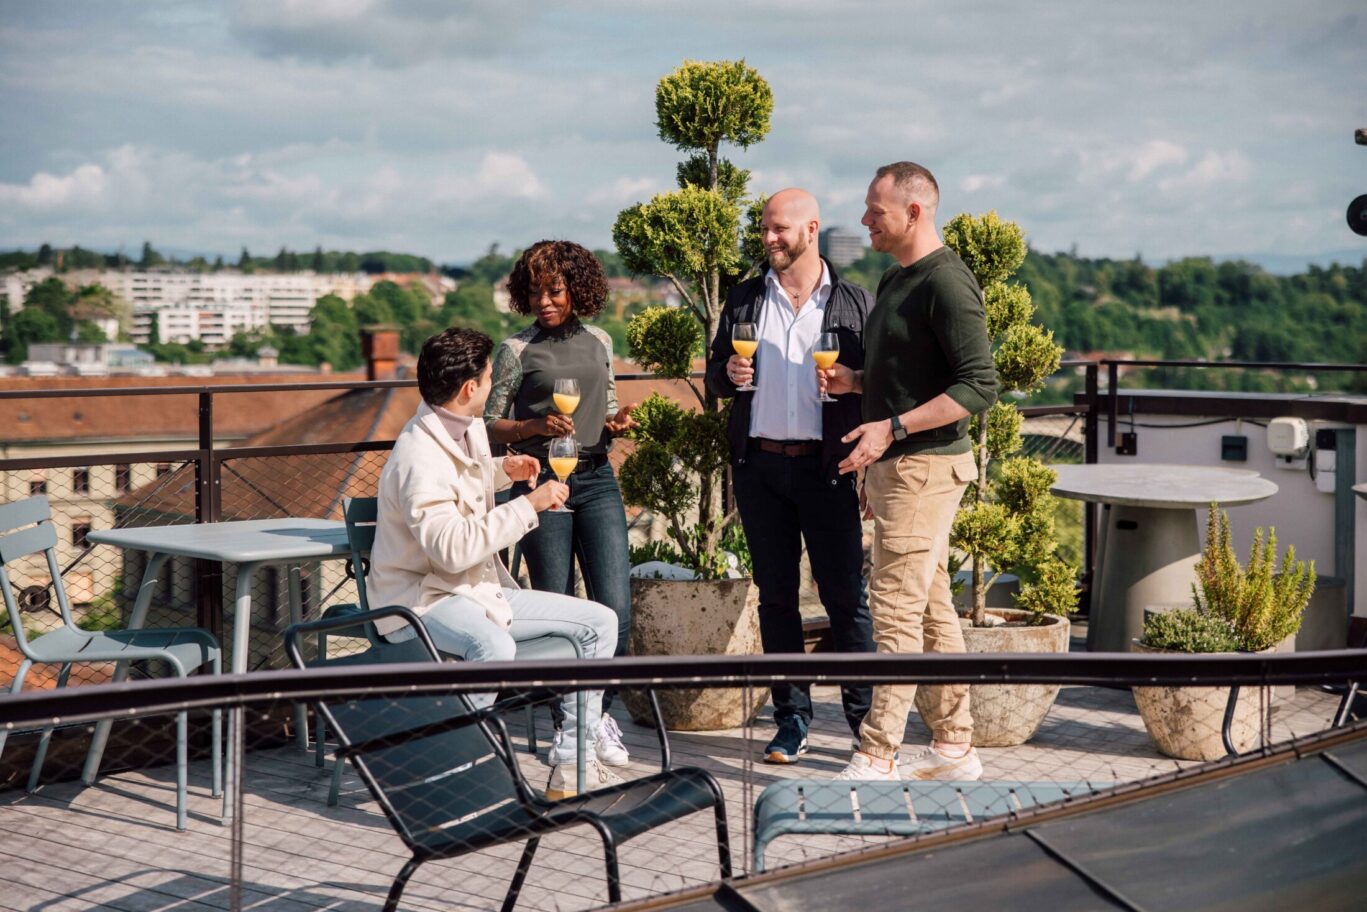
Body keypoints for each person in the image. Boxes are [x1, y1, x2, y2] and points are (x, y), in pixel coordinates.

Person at [367, 326, 623, 799]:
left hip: (475, 592)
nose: (492, 386)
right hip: (419, 603)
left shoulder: (465, 432)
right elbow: (449, 550)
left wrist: (502, 470)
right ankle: (455, 770)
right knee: (494, 647)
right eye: (488, 379)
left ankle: (572, 762)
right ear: (470, 389)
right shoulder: (417, 456)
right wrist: (529, 505)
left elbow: (461, 485)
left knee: (600, 623)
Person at [820, 162, 997, 781]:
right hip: (899, 468)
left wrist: (890, 429)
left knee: (893, 609)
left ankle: (877, 752)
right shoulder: (897, 278)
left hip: (925, 467)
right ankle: (954, 746)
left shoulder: (947, 283)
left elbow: (979, 384)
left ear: (915, 212)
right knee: (928, 609)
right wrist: (858, 382)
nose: (865, 219)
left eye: (877, 210)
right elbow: (910, 379)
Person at [705, 188, 876, 764]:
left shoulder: (855, 303)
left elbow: (880, 386)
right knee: (776, 601)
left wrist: (870, 463)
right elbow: (717, 378)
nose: (770, 239)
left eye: (780, 229)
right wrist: (727, 372)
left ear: (811, 229)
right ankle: (792, 719)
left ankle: (864, 725)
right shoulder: (747, 298)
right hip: (761, 469)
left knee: (845, 599)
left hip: (828, 470)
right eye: (765, 230)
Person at [485, 240, 636, 768]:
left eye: (555, 290)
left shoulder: (599, 340)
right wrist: (531, 426)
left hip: (595, 479)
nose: (545, 300)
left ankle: (596, 717)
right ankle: (568, 726)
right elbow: (488, 424)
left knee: (616, 608)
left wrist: (617, 422)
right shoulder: (517, 350)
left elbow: (609, 405)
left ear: (578, 287)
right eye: (536, 291)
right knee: (556, 606)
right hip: (539, 482)